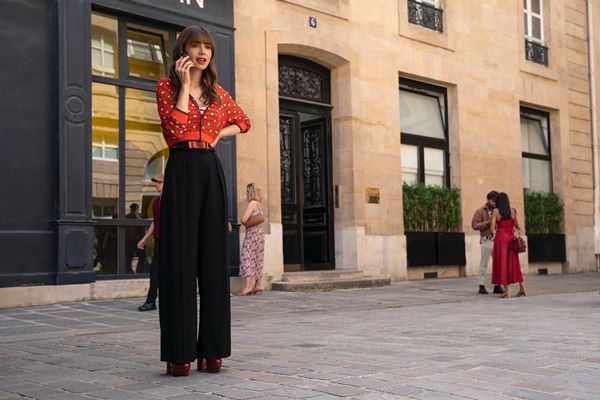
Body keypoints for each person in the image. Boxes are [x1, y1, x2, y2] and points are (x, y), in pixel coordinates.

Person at [156, 25, 251, 377]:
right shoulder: (166, 87)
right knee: (178, 260)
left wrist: (214, 135)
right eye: (195, 45)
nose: (202, 52)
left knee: (213, 260)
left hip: (210, 170)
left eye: (207, 47)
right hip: (180, 167)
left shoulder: (218, 93)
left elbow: (244, 121)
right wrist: (183, 87)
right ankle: (179, 353)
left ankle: (212, 349)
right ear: (183, 49)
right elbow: (176, 127)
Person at [490, 192, 528, 298]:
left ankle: (507, 291)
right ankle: (523, 288)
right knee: (514, 264)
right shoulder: (513, 211)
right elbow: (519, 226)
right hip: (511, 238)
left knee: (502, 264)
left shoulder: (496, 211)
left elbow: (492, 228)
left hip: (501, 239)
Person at [137, 174, 164, 312]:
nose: (157, 185)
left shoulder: (173, 201)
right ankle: (151, 301)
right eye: (156, 182)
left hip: (171, 243)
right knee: (155, 273)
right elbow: (155, 222)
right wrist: (145, 238)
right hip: (159, 242)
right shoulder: (156, 202)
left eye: (160, 182)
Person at [471, 191, 504, 295]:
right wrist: (488, 222)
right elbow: (474, 225)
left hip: (498, 240)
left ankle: (497, 285)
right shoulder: (480, 211)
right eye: (493, 201)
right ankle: (481, 286)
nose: (494, 203)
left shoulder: (498, 210)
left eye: (496, 201)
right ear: (488, 199)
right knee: (484, 264)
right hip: (486, 239)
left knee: (498, 263)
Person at [238, 183, 265, 296]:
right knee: (257, 258)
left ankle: (248, 286)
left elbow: (244, 219)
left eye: (247, 192)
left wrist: (243, 221)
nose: (246, 194)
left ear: (251, 192)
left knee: (246, 257)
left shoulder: (252, 203)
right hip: (260, 234)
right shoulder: (259, 205)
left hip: (252, 234)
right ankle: (258, 284)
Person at [125, 203, 146, 273]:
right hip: (132, 241)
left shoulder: (139, 216)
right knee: (129, 257)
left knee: (141, 257)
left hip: (136, 240)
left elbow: (142, 226)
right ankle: (130, 272)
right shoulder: (128, 217)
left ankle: (137, 271)